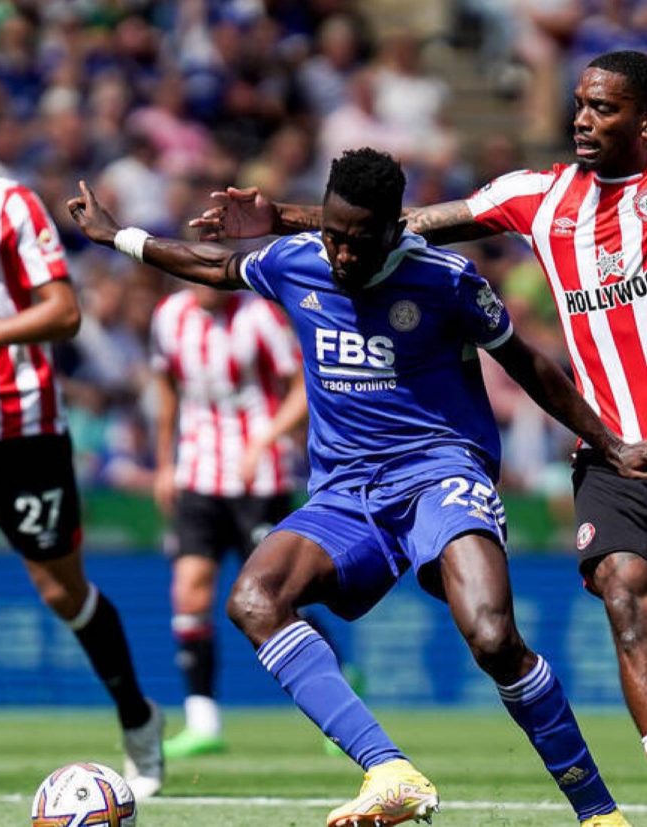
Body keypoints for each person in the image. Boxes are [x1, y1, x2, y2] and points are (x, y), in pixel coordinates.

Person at [69, 147, 647, 827]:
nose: (342, 255)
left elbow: (528, 365)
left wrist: (609, 442)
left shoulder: (446, 280)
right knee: (255, 599)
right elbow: (213, 266)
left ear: (396, 230)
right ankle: (390, 769)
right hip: (347, 493)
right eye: (334, 236)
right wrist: (120, 237)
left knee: (493, 638)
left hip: (442, 474)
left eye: (359, 241)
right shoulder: (297, 261)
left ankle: (597, 811)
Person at [200, 49, 647, 774]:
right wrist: (281, 217)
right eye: (580, 104)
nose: (583, 119)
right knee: (626, 594)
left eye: (604, 108)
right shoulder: (538, 194)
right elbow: (400, 226)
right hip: (616, 447)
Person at [0, 86, 163, 801]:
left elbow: (65, 312)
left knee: (60, 588)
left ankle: (138, 716)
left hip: (25, 429)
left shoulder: (10, 206)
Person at [151, 283, 307, 758]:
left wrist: (267, 439)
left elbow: (302, 386)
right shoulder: (170, 314)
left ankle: (335, 673)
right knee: (190, 587)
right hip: (198, 472)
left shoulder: (259, 316)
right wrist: (163, 463)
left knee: (276, 597)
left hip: (259, 477)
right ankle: (203, 720)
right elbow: (165, 387)